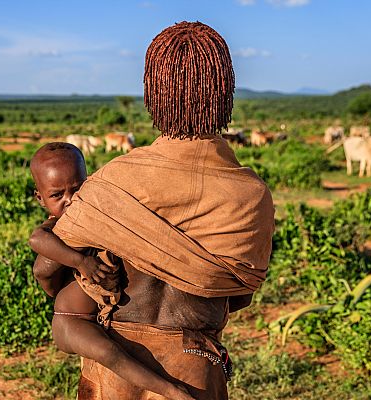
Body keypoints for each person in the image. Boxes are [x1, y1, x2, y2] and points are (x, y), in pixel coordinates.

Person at [35, 21, 275, 399]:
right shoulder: (252, 197)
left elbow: (48, 268)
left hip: (112, 370)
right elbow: (240, 296)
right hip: (194, 367)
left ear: (153, 95)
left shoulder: (113, 181)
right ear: (225, 94)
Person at [28, 142, 195, 400]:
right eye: (57, 195)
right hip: (71, 320)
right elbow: (36, 241)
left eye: (77, 189)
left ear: (90, 181)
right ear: (40, 198)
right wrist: (80, 262)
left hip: (91, 317)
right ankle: (170, 391)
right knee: (109, 354)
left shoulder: (94, 216)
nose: (69, 200)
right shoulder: (56, 225)